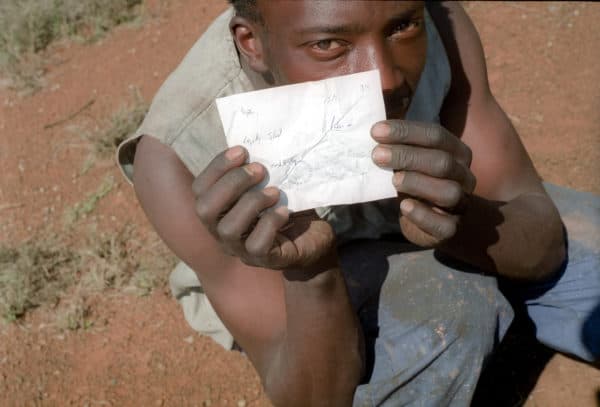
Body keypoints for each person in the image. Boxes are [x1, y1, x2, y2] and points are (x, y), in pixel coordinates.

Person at [117, 1, 600, 405]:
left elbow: (543, 246)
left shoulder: (438, 22)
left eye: (402, 27)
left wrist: (463, 221)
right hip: (304, 288)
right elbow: (309, 395)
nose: (384, 78)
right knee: (451, 311)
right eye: (329, 44)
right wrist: (312, 272)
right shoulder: (181, 154)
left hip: (441, 219)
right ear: (252, 44)